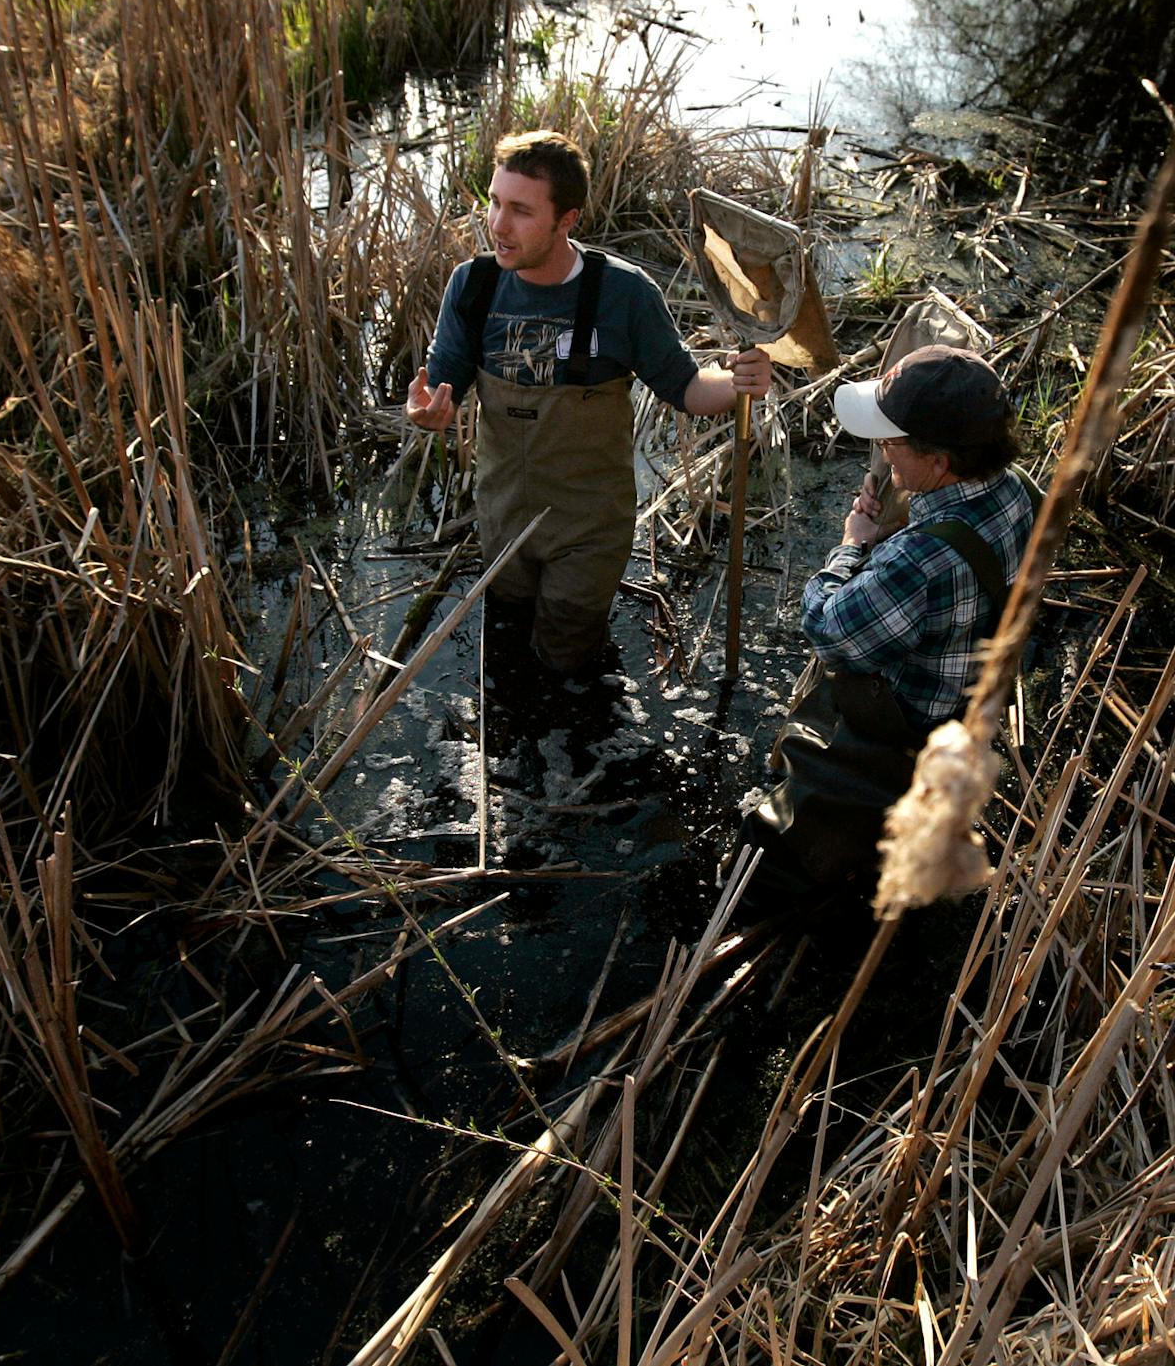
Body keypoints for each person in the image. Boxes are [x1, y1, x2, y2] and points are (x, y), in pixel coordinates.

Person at [405, 130, 773, 674]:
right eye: (494, 202)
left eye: (521, 211)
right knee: (504, 650)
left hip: (588, 527)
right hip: (502, 516)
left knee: (567, 662)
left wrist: (737, 381)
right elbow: (442, 385)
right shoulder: (474, 286)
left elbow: (687, 388)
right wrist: (427, 412)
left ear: (567, 219)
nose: (499, 225)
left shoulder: (622, 293)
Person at [738, 344, 1036, 910]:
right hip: (967, 695)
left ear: (941, 460)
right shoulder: (1013, 486)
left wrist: (852, 545)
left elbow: (829, 629)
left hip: (904, 725)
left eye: (892, 441)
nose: (881, 451)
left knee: (765, 863)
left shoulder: (919, 559)